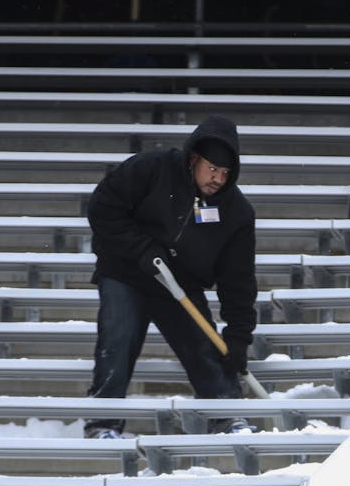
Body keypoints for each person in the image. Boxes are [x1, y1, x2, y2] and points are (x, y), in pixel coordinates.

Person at [83, 115, 258, 438]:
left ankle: (227, 414)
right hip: (126, 274)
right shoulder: (151, 168)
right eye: (212, 169)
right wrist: (142, 250)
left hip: (179, 286)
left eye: (225, 173)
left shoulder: (236, 213)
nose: (217, 179)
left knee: (205, 346)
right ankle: (103, 423)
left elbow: (239, 281)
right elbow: (102, 208)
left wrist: (238, 337)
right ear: (193, 159)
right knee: (117, 340)